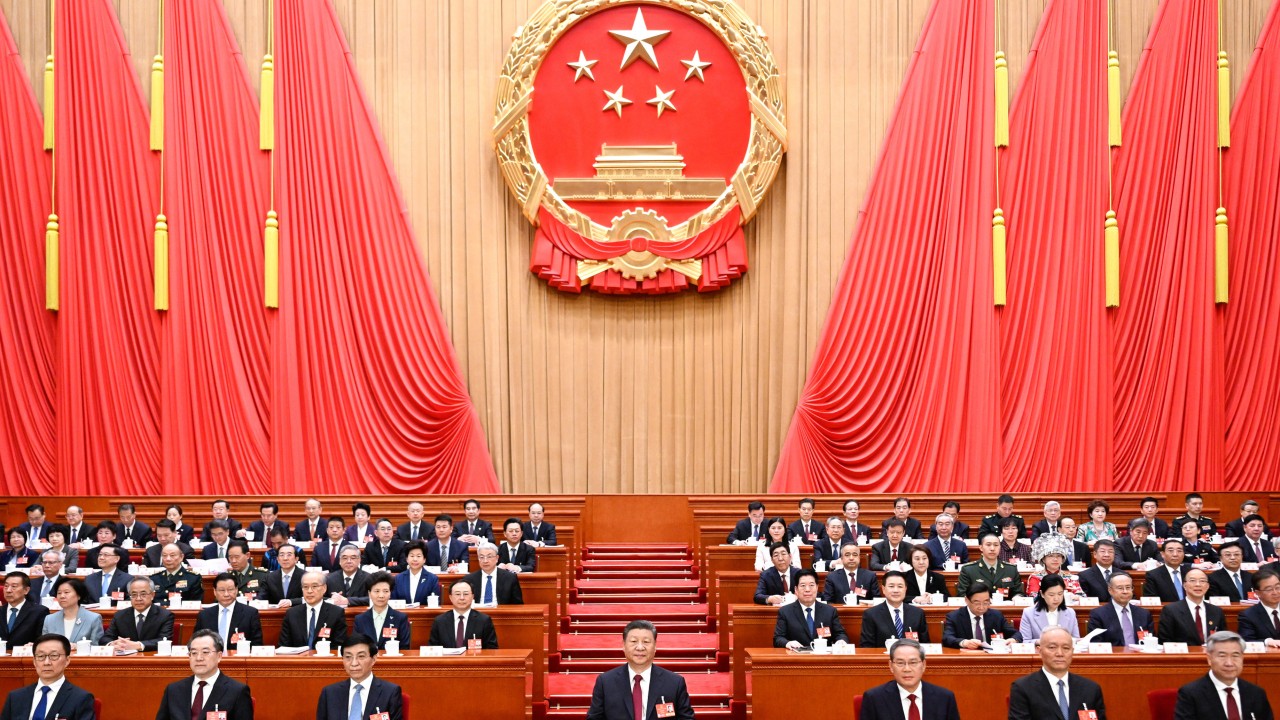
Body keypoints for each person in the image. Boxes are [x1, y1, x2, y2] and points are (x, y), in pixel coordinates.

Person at [585, 619, 694, 720]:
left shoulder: (674, 683)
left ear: (655, 646)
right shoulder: (605, 682)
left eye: (646, 642)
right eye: (633, 641)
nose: (640, 647)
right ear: (623, 645)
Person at [1008, 626, 1107, 720]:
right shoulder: (1023, 688)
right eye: (1052, 647)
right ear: (1040, 651)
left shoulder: (1091, 689)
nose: (1060, 653)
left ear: (1072, 652)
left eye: (1066, 648)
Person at [1173, 630, 1274, 720]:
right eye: (1222, 656)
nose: (1229, 663)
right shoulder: (1190, 694)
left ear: (1242, 658)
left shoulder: (1256, 693)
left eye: (1235, 655)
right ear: (1209, 659)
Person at [155, 630, 254, 720]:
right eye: (193, 653)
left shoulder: (237, 691)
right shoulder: (173, 690)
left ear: (219, 656)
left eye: (205, 652)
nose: (199, 658)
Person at [858, 639, 960, 720]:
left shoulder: (945, 698)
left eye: (913, 662)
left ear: (923, 665)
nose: (907, 669)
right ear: (891, 666)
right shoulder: (874, 698)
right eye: (900, 663)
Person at [0, 634, 95, 720]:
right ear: (34, 661)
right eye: (41, 656)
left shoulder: (81, 698)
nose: (46, 663)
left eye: (54, 656)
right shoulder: (15, 697)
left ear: (67, 660)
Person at [315, 634, 403, 720]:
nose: (354, 663)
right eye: (348, 657)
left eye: (361, 656)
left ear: (374, 659)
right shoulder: (329, 693)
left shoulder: (390, 692)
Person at [772, 570, 849, 649]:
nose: (807, 589)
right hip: (797, 657)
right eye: (803, 585)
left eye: (811, 585)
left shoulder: (830, 611)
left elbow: (840, 633)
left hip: (823, 658)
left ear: (817, 587)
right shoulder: (785, 612)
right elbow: (778, 638)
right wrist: (787, 643)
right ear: (796, 590)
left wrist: (841, 640)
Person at [100, 577, 175, 652]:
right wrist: (112, 644)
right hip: (126, 659)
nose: (138, 598)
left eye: (143, 594)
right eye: (134, 594)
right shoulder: (120, 616)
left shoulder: (165, 615)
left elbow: (164, 640)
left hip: (152, 659)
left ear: (152, 595)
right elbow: (105, 638)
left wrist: (138, 645)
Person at [279, 570, 348, 649]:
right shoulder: (292, 613)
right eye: (305, 587)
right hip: (299, 660)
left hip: (325, 659)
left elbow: (339, 646)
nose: (309, 591)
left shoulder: (336, 613)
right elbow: (284, 645)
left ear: (324, 588)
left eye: (314, 586)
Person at [1157, 568, 1226, 646]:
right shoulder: (1171, 610)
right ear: (1184, 585)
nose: (1198, 584)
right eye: (1192, 580)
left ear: (1207, 586)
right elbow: (1165, 641)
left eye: (1202, 581)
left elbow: (1223, 639)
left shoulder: (1217, 611)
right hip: (1183, 657)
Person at [941, 582, 1021, 648]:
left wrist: (1013, 639)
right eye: (977, 603)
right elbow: (947, 638)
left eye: (986, 602)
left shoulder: (996, 616)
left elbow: (1016, 634)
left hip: (992, 658)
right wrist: (964, 642)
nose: (982, 607)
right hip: (966, 658)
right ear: (966, 600)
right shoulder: (954, 617)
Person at [861, 571, 929, 646]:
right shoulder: (871, 614)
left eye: (900, 586)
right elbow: (866, 646)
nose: (896, 590)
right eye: (891, 586)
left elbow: (925, 645)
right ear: (883, 589)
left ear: (906, 589)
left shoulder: (918, 613)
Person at [1085, 572, 1153, 646]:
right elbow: (1096, 644)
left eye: (1128, 587)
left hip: (1140, 655)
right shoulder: (1098, 614)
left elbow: (1151, 640)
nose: (1125, 591)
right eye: (1120, 588)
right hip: (1113, 656)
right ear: (1110, 590)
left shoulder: (1144, 614)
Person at [195, 573, 264, 646]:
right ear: (214, 591)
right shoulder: (204, 616)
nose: (226, 594)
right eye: (222, 590)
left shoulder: (250, 614)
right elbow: (196, 642)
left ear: (236, 590)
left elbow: (257, 645)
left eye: (230, 589)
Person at [427, 580, 498, 649]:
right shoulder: (440, 621)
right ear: (450, 597)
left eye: (466, 594)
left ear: (472, 596)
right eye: (457, 594)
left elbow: (491, 649)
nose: (462, 598)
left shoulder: (484, 620)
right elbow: (433, 648)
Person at [353, 572, 411, 651]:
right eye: (377, 591)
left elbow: (404, 647)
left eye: (385, 591)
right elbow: (356, 646)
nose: (381, 595)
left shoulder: (400, 618)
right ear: (369, 594)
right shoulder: (360, 619)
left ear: (390, 593)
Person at [956, 533, 1024, 597]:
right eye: (988, 545)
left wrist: (1017, 598)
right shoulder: (968, 570)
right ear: (981, 548)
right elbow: (962, 594)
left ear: (1000, 547)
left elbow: (1018, 592)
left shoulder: (1011, 569)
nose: (992, 549)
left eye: (996, 545)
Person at [1018, 575, 1080, 642]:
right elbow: (1025, 641)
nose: (1056, 598)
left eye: (1060, 594)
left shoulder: (1070, 613)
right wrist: (1043, 642)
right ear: (1042, 594)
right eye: (1051, 595)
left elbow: (1075, 640)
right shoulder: (1029, 613)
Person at [40, 578, 102, 644]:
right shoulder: (49, 619)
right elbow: (45, 645)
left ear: (79, 595)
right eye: (59, 593)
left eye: (66, 592)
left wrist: (79, 648)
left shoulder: (93, 618)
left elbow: (96, 647)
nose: (62, 596)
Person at [1025, 534, 1083, 598]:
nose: (1055, 559)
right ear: (1043, 559)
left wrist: (1075, 597)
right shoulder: (1035, 577)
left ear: (1062, 559)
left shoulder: (1070, 577)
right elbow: (1033, 596)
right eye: (1051, 556)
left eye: (1058, 556)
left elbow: (1080, 595)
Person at [1237, 566, 1280, 646]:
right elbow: (1246, 641)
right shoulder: (1248, 616)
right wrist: (1267, 642)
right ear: (1257, 593)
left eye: (1277, 587)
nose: (1275, 592)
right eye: (1269, 589)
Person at [1, 573, 46, 647]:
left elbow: (41, 640)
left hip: (26, 656)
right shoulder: (1, 610)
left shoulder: (39, 612)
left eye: (14, 586)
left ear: (26, 590)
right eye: (6, 586)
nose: (8, 590)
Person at [1143, 538, 1190, 602]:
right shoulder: (1153, 575)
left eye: (1179, 551)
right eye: (1170, 551)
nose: (1175, 554)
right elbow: (1151, 600)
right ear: (1162, 554)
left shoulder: (1190, 573)